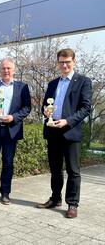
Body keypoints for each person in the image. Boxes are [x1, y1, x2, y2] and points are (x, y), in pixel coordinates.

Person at [36, 48, 92, 219]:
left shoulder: (83, 81)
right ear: (58, 63)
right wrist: (45, 111)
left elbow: (85, 107)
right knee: (55, 169)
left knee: (73, 170)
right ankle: (55, 198)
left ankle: (72, 204)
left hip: (70, 132)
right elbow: (45, 105)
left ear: (74, 61)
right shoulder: (53, 83)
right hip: (53, 131)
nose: (64, 65)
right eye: (61, 62)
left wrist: (68, 121)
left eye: (67, 61)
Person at [0, 58, 31, 205]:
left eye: (9, 68)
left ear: (13, 70)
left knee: (8, 163)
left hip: (11, 130)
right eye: (3, 68)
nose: (6, 71)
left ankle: (5, 193)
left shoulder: (22, 87)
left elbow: (27, 108)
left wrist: (13, 117)